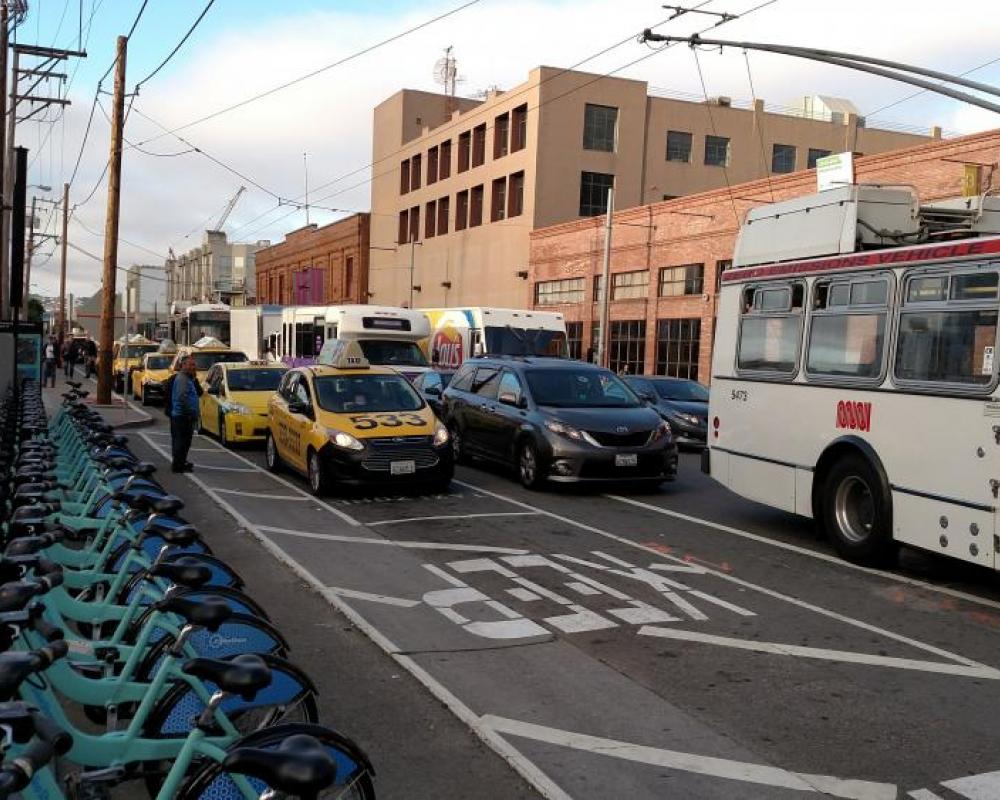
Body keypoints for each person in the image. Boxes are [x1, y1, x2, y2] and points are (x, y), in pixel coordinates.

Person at [169, 355, 201, 473]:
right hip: (182, 416)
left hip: (183, 416)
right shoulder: (182, 379)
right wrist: (189, 412)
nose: (194, 367)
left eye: (194, 365)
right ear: (183, 365)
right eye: (191, 365)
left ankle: (181, 463)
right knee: (181, 442)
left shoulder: (188, 378)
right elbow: (182, 397)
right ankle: (178, 466)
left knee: (184, 442)